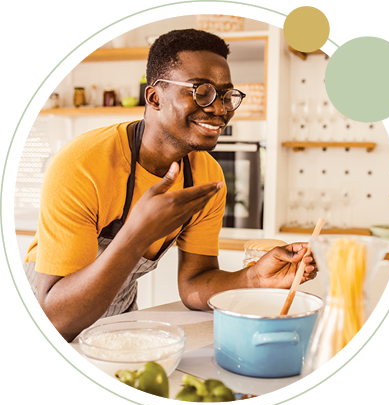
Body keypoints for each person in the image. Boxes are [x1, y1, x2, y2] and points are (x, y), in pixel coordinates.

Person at [23, 29, 317, 342]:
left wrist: (255, 277)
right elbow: (55, 318)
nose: (220, 109)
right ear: (154, 97)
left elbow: (194, 284)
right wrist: (137, 234)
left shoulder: (207, 176)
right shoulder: (81, 165)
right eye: (201, 91)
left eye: (227, 95)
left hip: (118, 317)